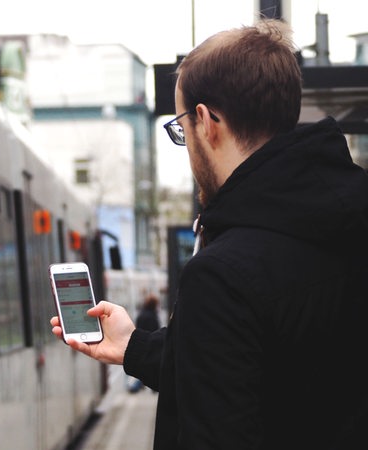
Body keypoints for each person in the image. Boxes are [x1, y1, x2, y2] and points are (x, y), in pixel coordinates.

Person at [51, 18, 368, 449]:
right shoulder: (348, 222)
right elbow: (282, 373)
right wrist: (135, 348)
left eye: (181, 128)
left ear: (206, 121)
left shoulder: (221, 276)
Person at [127, 294, 161, 393]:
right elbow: (155, 330)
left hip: (140, 342)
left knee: (142, 367)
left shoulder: (142, 314)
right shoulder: (152, 316)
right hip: (149, 344)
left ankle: (136, 387)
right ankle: (136, 387)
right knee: (147, 368)